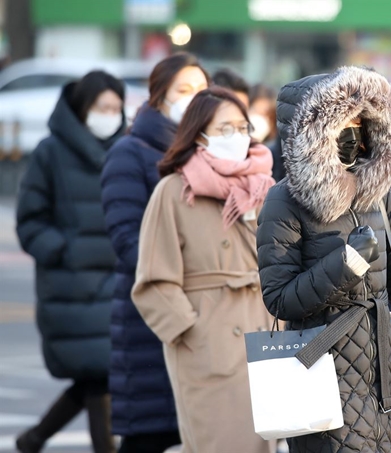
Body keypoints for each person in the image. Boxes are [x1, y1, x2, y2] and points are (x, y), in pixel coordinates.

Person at [257, 66, 391, 453]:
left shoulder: (378, 194)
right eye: (342, 123)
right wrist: (346, 264)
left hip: (382, 372)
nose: (354, 132)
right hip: (319, 373)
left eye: (360, 122)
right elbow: (279, 298)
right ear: (313, 135)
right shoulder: (283, 201)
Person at [131, 86, 277, 453]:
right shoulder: (174, 192)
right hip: (209, 347)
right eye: (225, 129)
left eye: (243, 128)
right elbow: (152, 281)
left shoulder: (266, 189)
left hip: (267, 339)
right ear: (199, 134)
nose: (237, 137)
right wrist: (193, 332)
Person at [101, 53, 209, 453]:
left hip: (203, 313)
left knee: (197, 429)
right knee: (150, 433)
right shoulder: (130, 152)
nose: (193, 98)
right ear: (159, 95)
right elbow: (129, 241)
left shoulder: (205, 154)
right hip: (152, 315)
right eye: (184, 90)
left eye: (201, 90)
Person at [15, 70, 127, 453]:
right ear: (82, 108)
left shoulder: (124, 150)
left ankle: (33, 439)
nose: (110, 115)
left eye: (116, 107)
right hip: (71, 286)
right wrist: (62, 250)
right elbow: (29, 219)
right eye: (102, 107)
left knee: (98, 376)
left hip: (116, 284)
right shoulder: (50, 152)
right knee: (99, 378)